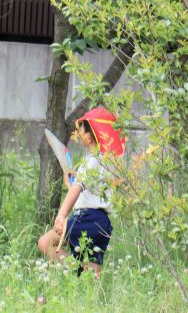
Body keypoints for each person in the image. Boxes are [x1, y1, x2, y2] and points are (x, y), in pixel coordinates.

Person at [37, 107, 125, 277]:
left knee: (45, 242)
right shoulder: (107, 162)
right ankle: (90, 285)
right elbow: (89, 195)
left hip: (87, 217)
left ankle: (78, 273)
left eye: (80, 130)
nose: (77, 133)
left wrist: (61, 215)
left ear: (89, 137)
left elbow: (77, 191)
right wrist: (70, 183)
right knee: (94, 271)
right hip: (102, 223)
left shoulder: (90, 161)